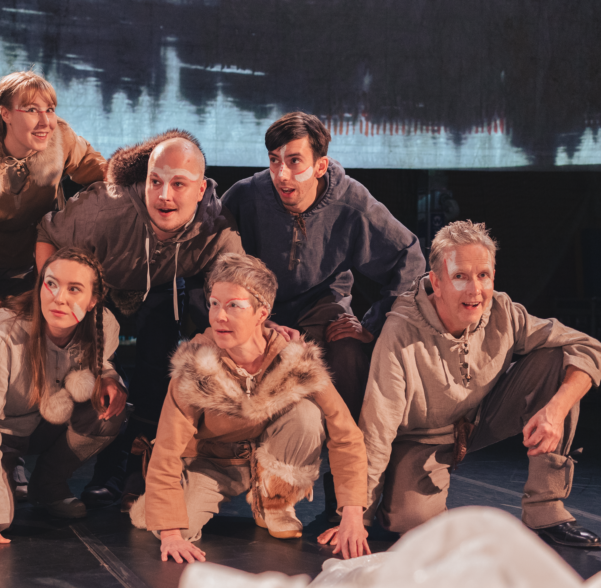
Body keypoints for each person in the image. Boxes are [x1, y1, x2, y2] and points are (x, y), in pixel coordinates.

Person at [362, 220, 601, 547]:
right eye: (460, 276)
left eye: (483, 275)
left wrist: (555, 410)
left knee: (559, 358)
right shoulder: (401, 331)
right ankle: (403, 503)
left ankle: (545, 509)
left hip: (479, 419)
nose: (475, 290)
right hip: (422, 438)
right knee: (413, 522)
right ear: (436, 282)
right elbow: (377, 428)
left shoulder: (503, 310)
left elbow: (589, 348)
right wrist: (358, 516)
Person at [35, 130, 249, 507]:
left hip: (161, 285)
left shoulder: (217, 225)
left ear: (200, 190)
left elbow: (239, 288)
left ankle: (136, 469)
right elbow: (47, 233)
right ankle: (92, 471)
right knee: (101, 376)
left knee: (158, 365)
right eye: (155, 182)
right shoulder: (106, 208)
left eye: (179, 184)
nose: (164, 196)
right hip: (97, 282)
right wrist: (57, 303)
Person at [129, 254, 371, 563]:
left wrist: (352, 515)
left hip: (269, 459)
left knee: (307, 414)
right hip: (212, 463)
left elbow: (345, 434)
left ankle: (274, 502)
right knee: (173, 525)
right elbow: (167, 449)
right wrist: (171, 534)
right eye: (214, 304)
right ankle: (159, 503)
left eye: (234, 306)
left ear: (262, 313)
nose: (219, 316)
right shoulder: (197, 365)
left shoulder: (293, 358)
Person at [222, 111, 426, 420]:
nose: (282, 175)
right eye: (274, 160)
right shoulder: (245, 196)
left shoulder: (351, 200)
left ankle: (355, 448)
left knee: (348, 352)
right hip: (255, 311)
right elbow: (212, 265)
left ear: (320, 166)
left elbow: (408, 256)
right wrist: (249, 321)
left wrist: (374, 326)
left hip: (322, 309)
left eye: (294, 161)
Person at [0, 248, 128, 551]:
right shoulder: (4, 334)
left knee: (106, 413)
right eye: (51, 284)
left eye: (74, 289)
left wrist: (110, 377)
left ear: (93, 300)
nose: (59, 298)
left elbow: (97, 361)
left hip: (40, 420)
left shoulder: (104, 324)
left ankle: (47, 485)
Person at [0, 71, 106, 298]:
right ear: (6, 114)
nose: (45, 122)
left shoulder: (61, 139)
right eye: (32, 110)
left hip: (36, 264)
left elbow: (101, 171)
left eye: (50, 109)